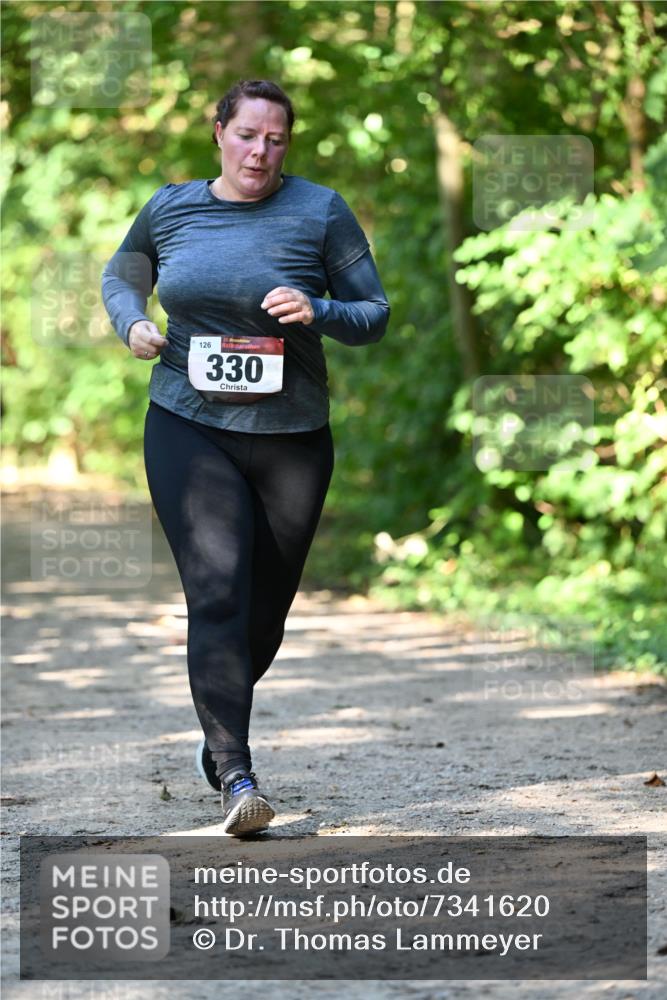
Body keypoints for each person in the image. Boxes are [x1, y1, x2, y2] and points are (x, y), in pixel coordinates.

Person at [101, 78, 390, 836]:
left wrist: (318, 309)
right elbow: (123, 272)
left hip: (293, 438)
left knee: (264, 611)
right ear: (218, 131)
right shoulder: (171, 207)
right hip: (187, 423)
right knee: (219, 591)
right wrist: (132, 323)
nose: (260, 151)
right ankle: (237, 773)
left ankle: (215, 725)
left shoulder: (319, 210)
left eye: (276, 139)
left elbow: (373, 315)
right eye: (247, 135)